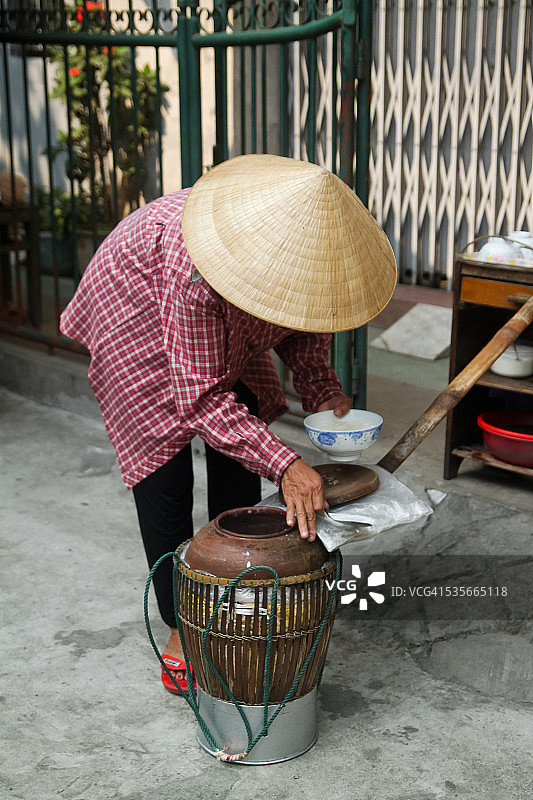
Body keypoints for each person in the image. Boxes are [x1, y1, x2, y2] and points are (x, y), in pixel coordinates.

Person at [60, 154, 396, 693]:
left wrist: (322, 390)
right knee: (164, 472)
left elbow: (301, 329)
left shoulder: (302, 263)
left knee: (241, 437)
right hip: (138, 308)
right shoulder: (194, 267)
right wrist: (286, 465)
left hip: (208, 314)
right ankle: (180, 628)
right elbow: (199, 398)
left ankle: (234, 575)